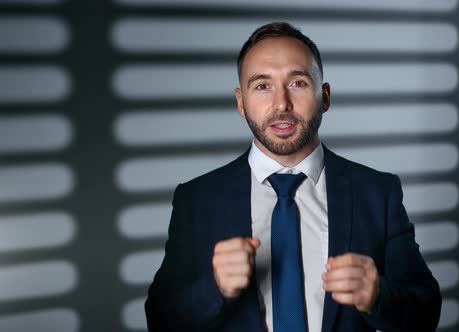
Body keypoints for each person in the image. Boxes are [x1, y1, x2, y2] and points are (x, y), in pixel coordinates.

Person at [145, 22, 441, 332]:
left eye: (298, 83)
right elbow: (161, 320)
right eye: (262, 86)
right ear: (240, 103)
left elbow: (426, 312)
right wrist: (214, 288)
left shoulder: (378, 193)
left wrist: (378, 296)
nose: (281, 104)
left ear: (324, 96)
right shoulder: (197, 199)